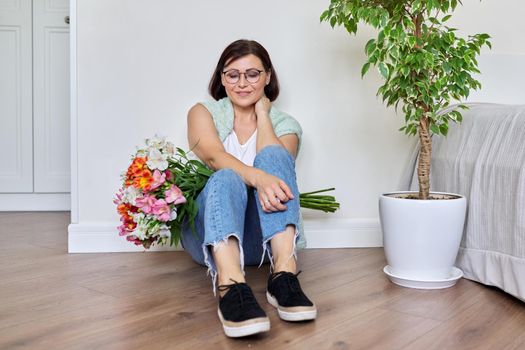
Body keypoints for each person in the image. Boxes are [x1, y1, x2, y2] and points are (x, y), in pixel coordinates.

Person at [181, 39, 316, 338]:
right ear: (221, 78)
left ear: (267, 76)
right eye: (232, 74)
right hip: (208, 234)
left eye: (253, 74)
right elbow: (214, 157)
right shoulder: (203, 112)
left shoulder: (286, 124)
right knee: (226, 176)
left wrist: (263, 115)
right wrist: (257, 178)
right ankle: (230, 285)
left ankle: (283, 275)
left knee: (275, 155)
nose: (242, 83)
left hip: (260, 242)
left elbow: (279, 165)